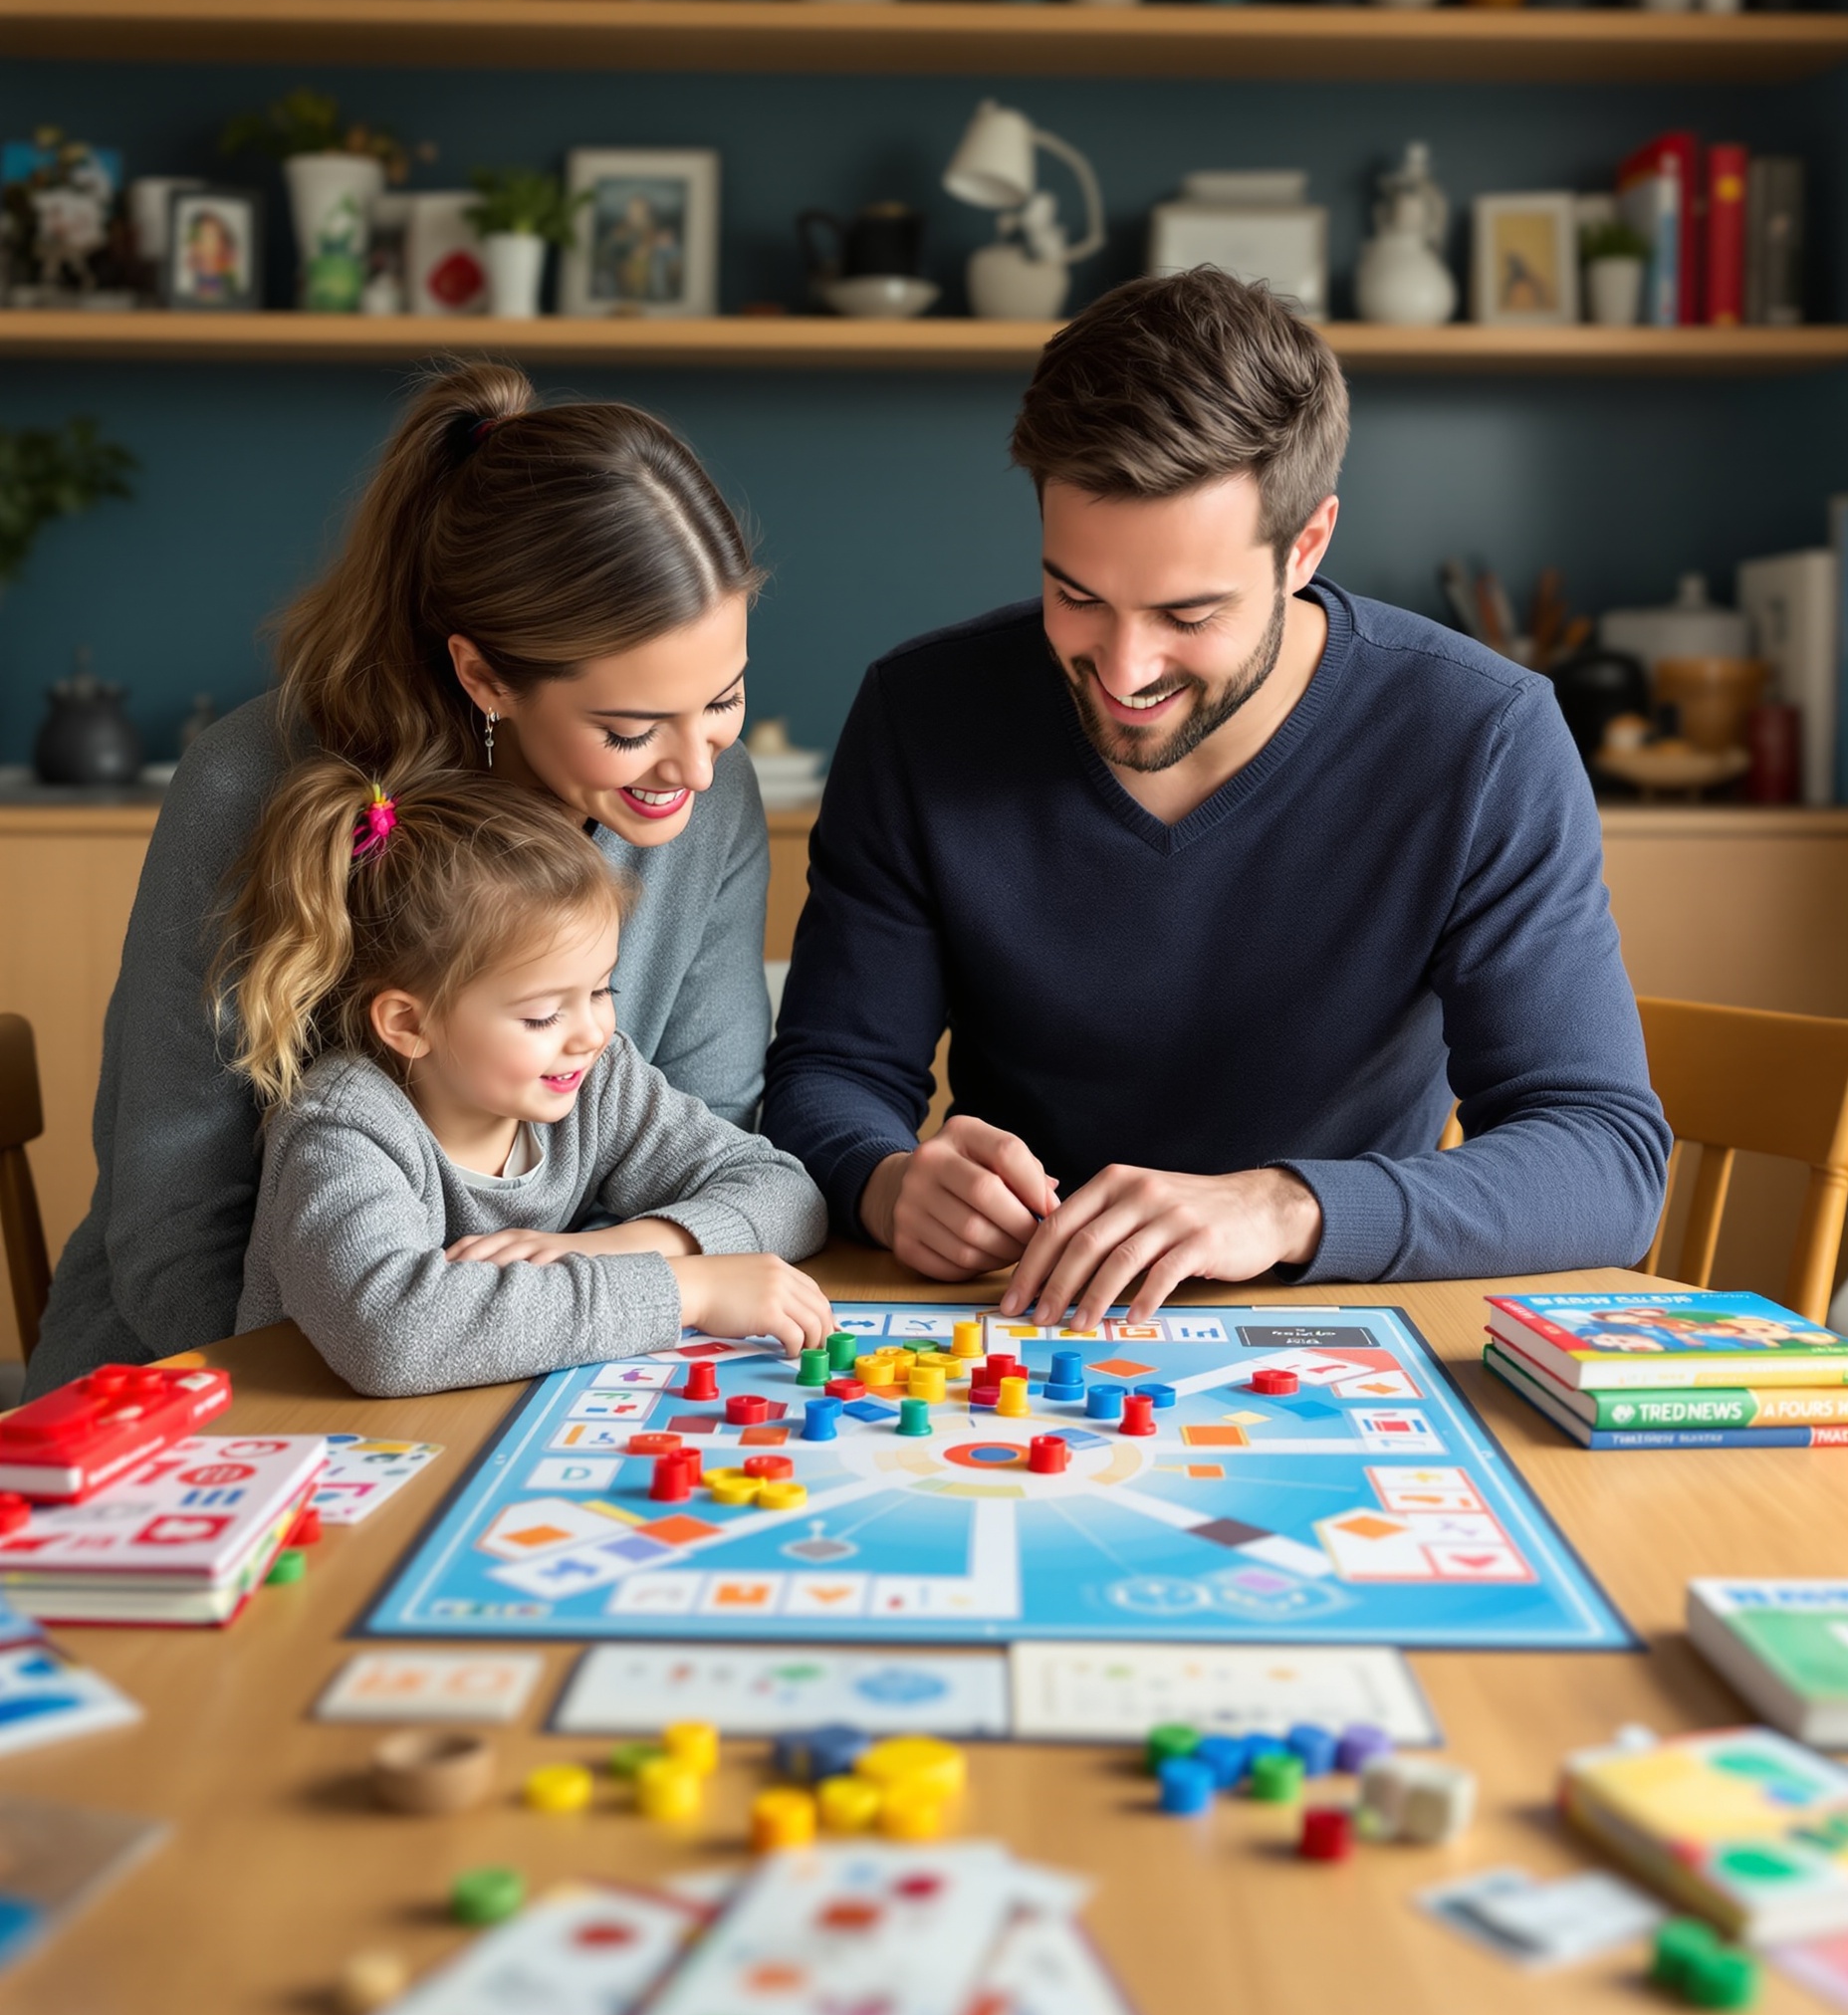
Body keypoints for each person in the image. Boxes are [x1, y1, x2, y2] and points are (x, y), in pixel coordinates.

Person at [763, 268, 1670, 1325]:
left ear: (1307, 546)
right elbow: (828, 1073)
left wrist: (1283, 1209)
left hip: (1333, 1324)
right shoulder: (921, 715)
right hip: (1010, 1322)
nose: (1122, 668)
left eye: (1188, 612)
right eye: (1075, 594)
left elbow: (1603, 1157)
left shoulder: (1478, 738)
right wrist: (884, 1178)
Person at [31, 359, 775, 1390]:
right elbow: (175, 1240)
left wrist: (600, 1274)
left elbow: (729, 1164)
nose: (696, 768)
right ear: (483, 676)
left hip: (549, 1364)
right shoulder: (254, 785)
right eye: (629, 729)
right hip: (231, 1379)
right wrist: (424, 1365)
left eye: (726, 699)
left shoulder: (707, 797)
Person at [227, 760, 830, 1393]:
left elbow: (788, 1194)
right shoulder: (341, 1129)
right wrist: (688, 1288)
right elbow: (394, 1337)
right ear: (409, 1023)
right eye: (543, 1015)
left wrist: (627, 1245)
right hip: (308, 1448)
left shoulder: (595, 1080)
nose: (593, 1033)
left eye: (601, 990)